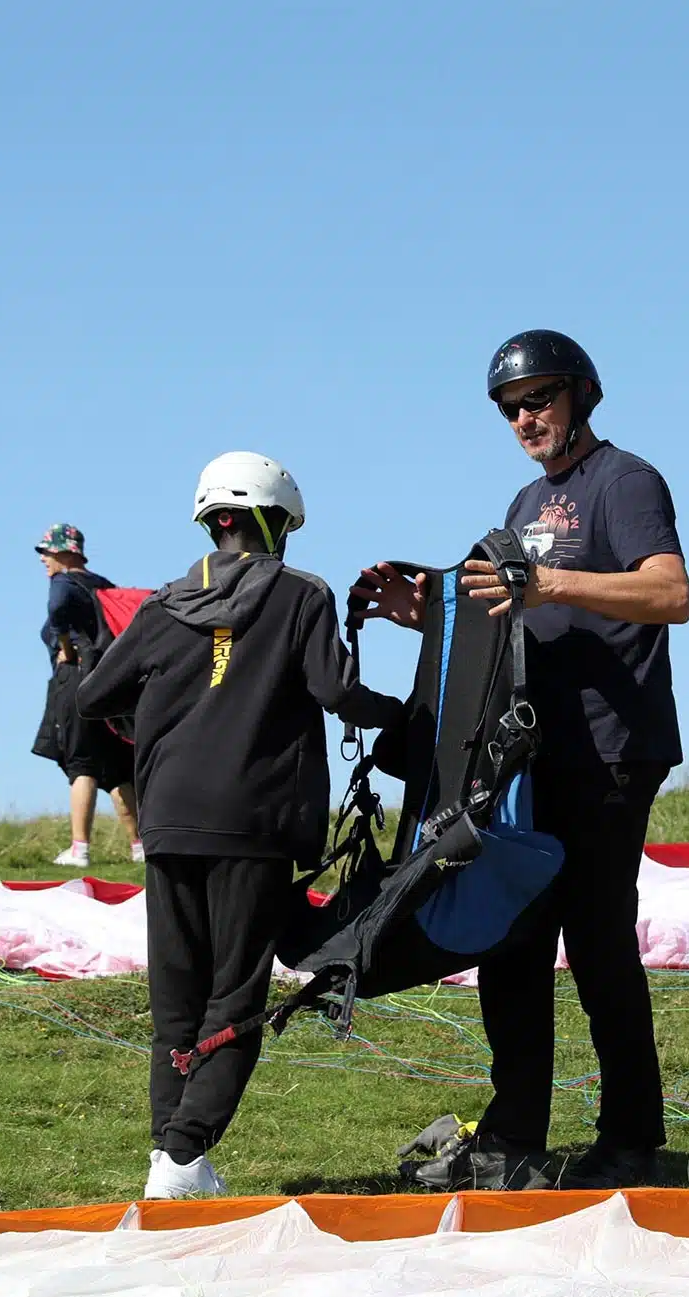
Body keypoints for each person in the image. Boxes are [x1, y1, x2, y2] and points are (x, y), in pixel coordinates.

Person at [355, 331, 689, 1189]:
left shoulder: (625, 481)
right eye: (508, 408)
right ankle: (513, 1139)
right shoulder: (523, 502)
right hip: (532, 757)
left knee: (597, 942)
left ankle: (630, 1141)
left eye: (537, 399)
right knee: (510, 941)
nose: (522, 418)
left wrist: (549, 586)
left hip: (612, 752)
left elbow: (670, 593)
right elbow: (506, 617)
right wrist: (424, 610)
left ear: (581, 394)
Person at [79, 452, 404, 1199]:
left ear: (212, 522)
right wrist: (413, 721)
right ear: (278, 524)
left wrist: (165, 719)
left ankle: (171, 1158)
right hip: (249, 821)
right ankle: (186, 1153)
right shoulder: (301, 595)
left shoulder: (163, 603)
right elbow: (336, 690)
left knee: (177, 999)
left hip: (167, 821)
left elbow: (96, 692)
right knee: (234, 997)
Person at [31, 523, 141, 867]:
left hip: (76, 678)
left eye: (47, 553)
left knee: (82, 764)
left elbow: (58, 606)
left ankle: (80, 849)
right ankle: (140, 847)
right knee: (119, 768)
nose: (44, 560)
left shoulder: (63, 583)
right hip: (108, 681)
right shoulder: (102, 586)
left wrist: (64, 644)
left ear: (65, 553)